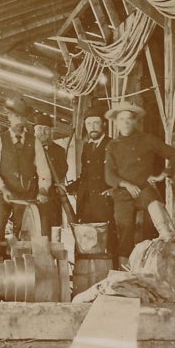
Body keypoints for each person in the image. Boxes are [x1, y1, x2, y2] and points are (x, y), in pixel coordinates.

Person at [104, 101, 175, 266]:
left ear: (135, 121)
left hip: (144, 190)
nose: (125, 123)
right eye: (121, 119)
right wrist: (125, 184)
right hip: (123, 195)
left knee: (152, 207)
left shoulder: (147, 139)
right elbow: (109, 175)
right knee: (124, 234)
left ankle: (166, 234)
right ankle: (123, 274)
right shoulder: (112, 145)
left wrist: (164, 174)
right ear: (116, 122)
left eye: (129, 119)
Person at [0, 98, 52, 243]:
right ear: (8, 117)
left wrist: (43, 190)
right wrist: (3, 189)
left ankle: (22, 263)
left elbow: (43, 171)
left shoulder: (34, 142)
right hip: (2, 193)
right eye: (16, 116)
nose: (19, 121)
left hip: (26, 194)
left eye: (22, 117)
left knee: (24, 233)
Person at [66, 104, 116, 247]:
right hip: (86, 204)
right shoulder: (87, 147)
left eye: (96, 123)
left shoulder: (112, 144)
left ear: (104, 124)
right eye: (88, 123)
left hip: (105, 203)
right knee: (86, 244)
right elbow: (85, 176)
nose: (92, 127)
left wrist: (114, 190)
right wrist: (69, 188)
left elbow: (123, 173)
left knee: (107, 243)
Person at [33, 112, 69, 230]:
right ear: (34, 131)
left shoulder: (59, 151)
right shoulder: (27, 150)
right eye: (40, 129)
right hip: (31, 195)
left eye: (46, 129)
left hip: (52, 198)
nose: (43, 132)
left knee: (52, 231)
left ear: (51, 131)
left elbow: (62, 172)